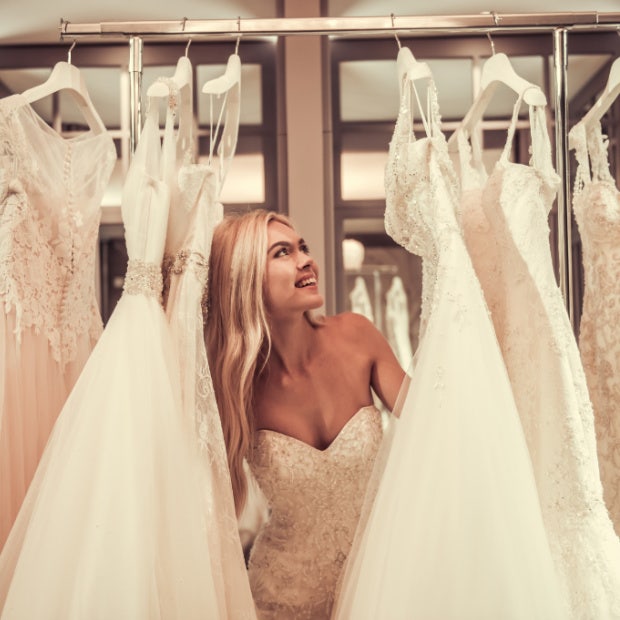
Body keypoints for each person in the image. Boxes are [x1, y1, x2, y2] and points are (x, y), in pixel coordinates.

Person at [205, 208, 405, 619]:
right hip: (282, 598)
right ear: (246, 280)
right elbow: (207, 505)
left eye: (303, 248)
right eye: (282, 253)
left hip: (380, 585)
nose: (305, 260)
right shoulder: (234, 387)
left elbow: (431, 424)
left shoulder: (357, 335)